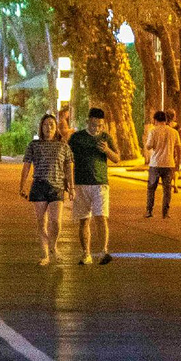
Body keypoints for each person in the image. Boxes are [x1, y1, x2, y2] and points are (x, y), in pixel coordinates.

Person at [68, 107, 120, 265]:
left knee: (101, 217)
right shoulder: (76, 138)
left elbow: (117, 158)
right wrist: (68, 183)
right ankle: (86, 254)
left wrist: (107, 150)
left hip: (100, 183)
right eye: (93, 125)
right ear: (87, 122)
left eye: (99, 125)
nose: (96, 128)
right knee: (84, 220)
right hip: (81, 183)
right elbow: (67, 158)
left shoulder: (105, 138)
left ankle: (103, 252)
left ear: (103, 125)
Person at [21, 114, 75, 265]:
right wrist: (22, 185)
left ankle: (53, 246)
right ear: (41, 127)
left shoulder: (63, 146)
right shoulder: (33, 145)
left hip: (57, 187)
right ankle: (45, 254)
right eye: (45, 125)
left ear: (56, 127)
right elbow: (26, 166)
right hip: (39, 185)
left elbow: (69, 167)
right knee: (41, 222)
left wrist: (71, 187)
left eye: (51, 124)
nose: (48, 128)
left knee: (56, 222)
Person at [144, 110, 181, 218]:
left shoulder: (153, 131)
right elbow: (178, 148)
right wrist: (177, 163)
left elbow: (148, 146)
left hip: (155, 164)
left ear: (155, 120)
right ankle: (165, 213)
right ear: (166, 120)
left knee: (151, 189)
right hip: (169, 164)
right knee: (167, 190)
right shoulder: (173, 132)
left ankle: (149, 211)